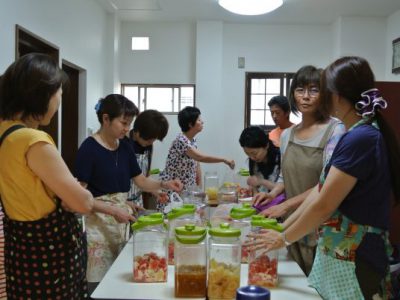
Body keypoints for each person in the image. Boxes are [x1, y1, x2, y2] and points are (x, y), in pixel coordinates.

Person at [248, 56, 400, 299]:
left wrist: (283, 238)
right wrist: (282, 231)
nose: (312, 96)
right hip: (341, 250)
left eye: (321, 89)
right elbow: (320, 189)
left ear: (336, 95)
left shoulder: (359, 137)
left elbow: (324, 204)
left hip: (357, 254)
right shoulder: (356, 133)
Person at [0, 53, 133, 299]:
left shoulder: (5, 133)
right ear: (41, 95)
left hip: (21, 251)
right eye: (58, 95)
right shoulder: (33, 140)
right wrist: (76, 192)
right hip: (48, 256)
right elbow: (81, 202)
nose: (59, 103)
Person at [75, 94, 182, 285]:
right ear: (106, 119)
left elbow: (140, 180)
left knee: (120, 280)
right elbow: (78, 197)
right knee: (99, 283)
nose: (127, 129)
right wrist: (113, 209)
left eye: (129, 123)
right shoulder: (89, 148)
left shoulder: (124, 147)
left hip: (120, 223)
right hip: (98, 227)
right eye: (124, 123)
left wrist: (163, 184)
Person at [253, 65, 345, 276]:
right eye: (300, 90)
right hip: (292, 222)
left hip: (323, 225)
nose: (305, 97)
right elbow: (286, 175)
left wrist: (284, 205)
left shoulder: (335, 130)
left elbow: (327, 184)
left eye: (314, 90)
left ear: (325, 94)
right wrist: (272, 195)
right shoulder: (288, 135)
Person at [159, 106, 235, 211]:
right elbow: (200, 157)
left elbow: (197, 162)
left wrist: (199, 188)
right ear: (190, 124)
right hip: (174, 191)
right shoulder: (181, 141)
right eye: (199, 120)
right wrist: (224, 159)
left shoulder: (192, 140)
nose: (202, 122)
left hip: (187, 191)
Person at [127, 109, 169, 208]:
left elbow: (145, 176)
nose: (151, 142)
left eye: (154, 139)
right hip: (120, 203)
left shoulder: (148, 146)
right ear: (137, 131)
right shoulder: (124, 144)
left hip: (137, 201)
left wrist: (155, 191)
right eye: (149, 139)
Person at [239, 126, 280, 193]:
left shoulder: (280, 159)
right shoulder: (253, 161)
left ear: (266, 145)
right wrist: (253, 188)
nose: (252, 157)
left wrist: (260, 181)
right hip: (264, 202)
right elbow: (255, 190)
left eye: (254, 153)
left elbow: (284, 189)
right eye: (248, 154)